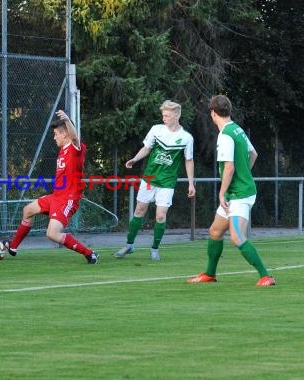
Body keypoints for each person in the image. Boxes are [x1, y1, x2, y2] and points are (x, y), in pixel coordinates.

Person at [187, 95, 275, 286]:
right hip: (237, 191)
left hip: (239, 194)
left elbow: (229, 167)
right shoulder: (238, 130)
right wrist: (244, 176)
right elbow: (254, 154)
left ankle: (266, 276)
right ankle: (210, 274)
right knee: (215, 231)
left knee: (236, 237)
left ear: (212, 113)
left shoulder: (226, 134)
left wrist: (222, 192)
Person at [3, 110, 99, 264]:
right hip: (56, 197)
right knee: (28, 210)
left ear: (65, 134)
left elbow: (74, 137)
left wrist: (67, 119)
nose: (54, 137)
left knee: (52, 234)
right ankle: (13, 247)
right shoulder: (62, 151)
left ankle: (89, 253)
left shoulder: (76, 149)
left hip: (68, 200)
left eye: (56, 134)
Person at [115, 100, 195, 261]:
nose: (164, 118)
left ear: (177, 115)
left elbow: (189, 160)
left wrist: (191, 183)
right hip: (150, 178)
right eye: (163, 115)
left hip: (167, 182)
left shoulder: (186, 138)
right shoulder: (156, 130)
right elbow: (147, 148)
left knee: (160, 216)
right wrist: (134, 159)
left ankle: (155, 249)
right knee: (139, 211)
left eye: (167, 115)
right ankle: (129, 245)